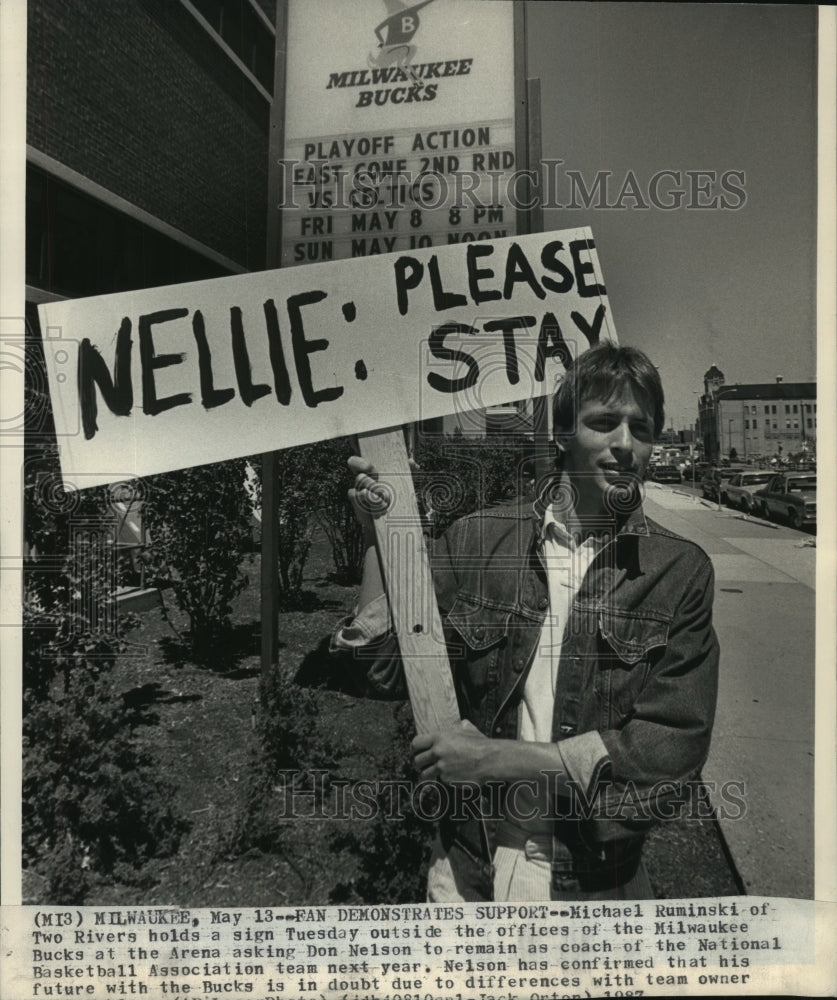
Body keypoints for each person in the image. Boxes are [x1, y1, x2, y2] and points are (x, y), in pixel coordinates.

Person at [332, 341, 719, 901]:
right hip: (468, 867)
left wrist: (495, 760)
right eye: (604, 422)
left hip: (595, 885)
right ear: (562, 433)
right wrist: (378, 535)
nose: (625, 445)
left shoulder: (678, 572)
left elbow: (667, 757)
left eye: (642, 428)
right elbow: (387, 669)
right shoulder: (477, 540)